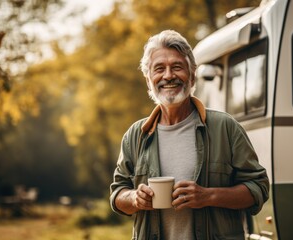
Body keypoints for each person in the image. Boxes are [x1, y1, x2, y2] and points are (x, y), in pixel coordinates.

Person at [109, 29, 269, 240]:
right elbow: (117, 194)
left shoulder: (226, 127)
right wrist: (134, 198)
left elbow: (258, 188)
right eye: (159, 69)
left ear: (192, 75)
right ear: (148, 80)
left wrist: (209, 195)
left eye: (177, 67)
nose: (168, 75)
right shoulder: (135, 136)